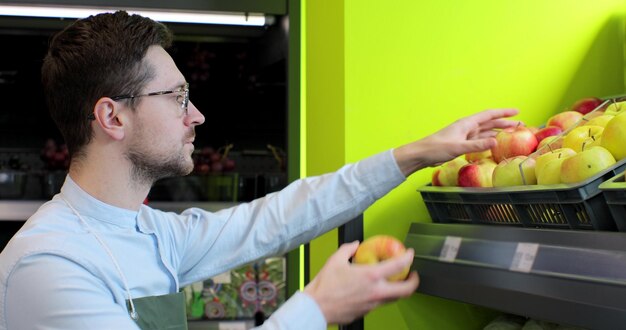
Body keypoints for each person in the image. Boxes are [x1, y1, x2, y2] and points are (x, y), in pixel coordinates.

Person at [0, 11, 518, 330]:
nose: (196, 115)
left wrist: (415, 155)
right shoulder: (50, 265)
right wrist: (316, 307)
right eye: (177, 97)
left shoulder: (151, 233)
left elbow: (278, 217)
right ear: (112, 116)